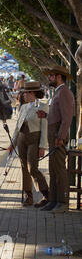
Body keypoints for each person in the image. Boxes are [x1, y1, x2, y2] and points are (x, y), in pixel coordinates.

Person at [37, 66, 75, 213]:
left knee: (59, 170)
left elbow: (66, 119)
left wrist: (60, 137)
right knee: (53, 170)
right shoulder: (58, 92)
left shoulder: (64, 92)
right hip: (54, 136)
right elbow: (58, 115)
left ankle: (63, 201)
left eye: (51, 75)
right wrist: (45, 116)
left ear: (59, 76)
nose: (49, 78)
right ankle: (53, 200)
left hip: (58, 137)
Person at [8, 81, 49, 207]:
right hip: (22, 138)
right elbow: (17, 127)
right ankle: (28, 197)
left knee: (32, 168)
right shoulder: (24, 107)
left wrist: (42, 146)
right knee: (24, 168)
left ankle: (46, 194)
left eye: (25, 93)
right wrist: (12, 144)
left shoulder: (43, 106)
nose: (23, 96)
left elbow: (44, 128)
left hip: (34, 139)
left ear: (32, 93)